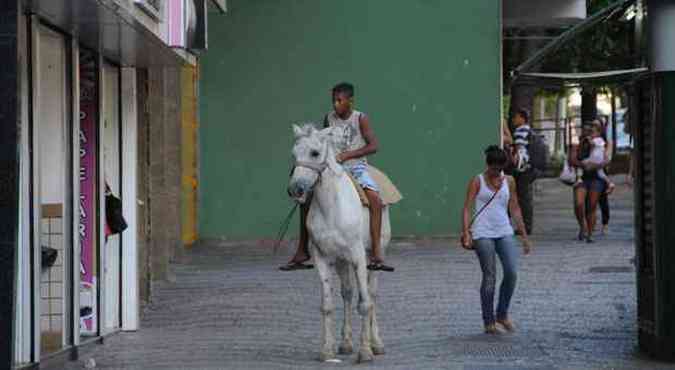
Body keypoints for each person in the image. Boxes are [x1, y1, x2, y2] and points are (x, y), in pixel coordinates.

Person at [280, 82, 394, 272]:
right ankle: (302, 249)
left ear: (350, 101)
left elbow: (373, 146)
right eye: (334, 100)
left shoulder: (360, 118)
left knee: (374, 198)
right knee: (306, 198)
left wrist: (347, 155)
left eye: (340, 100)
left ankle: (376, 252)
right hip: (333, 168)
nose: (335, 104)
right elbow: (324, 145)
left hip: (356, 166)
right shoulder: (329, 118)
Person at [461, 145, 532, 334]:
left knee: (511, 273)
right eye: (494, 169)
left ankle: (502, 314)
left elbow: (515, 207)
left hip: (504, 230)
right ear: (487, 164)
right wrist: (466, 232)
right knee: (490, 276)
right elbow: (468, 207)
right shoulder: (477, 181)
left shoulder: (509, 180)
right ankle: (489, 321)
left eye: (500, 169)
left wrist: (524, 235)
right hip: (482, 233)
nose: (497, 172)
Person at [570, 122, 607, 243]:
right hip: (581, 177)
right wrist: (583, 165)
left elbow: (606, 160)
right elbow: (572, 160)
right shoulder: (578, 143)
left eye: (591, 131)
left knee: (592, 206)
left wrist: (594, 166)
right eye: (587, 131)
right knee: (579, 203)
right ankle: (583, 226)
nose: (589, 133)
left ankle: (590, 234)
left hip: (596, 177)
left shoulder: (600, 143)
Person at [511, 108, 534, 235]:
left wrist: (517, 165)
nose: (514, 120)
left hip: (523, 168)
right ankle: (526, 225)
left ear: (522, 118)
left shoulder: (520, 130)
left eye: (516, 117)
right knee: (525, 197)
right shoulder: (528, 129)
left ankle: (525, 227)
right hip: (529, 167)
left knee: (523, 197)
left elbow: (519, 150)